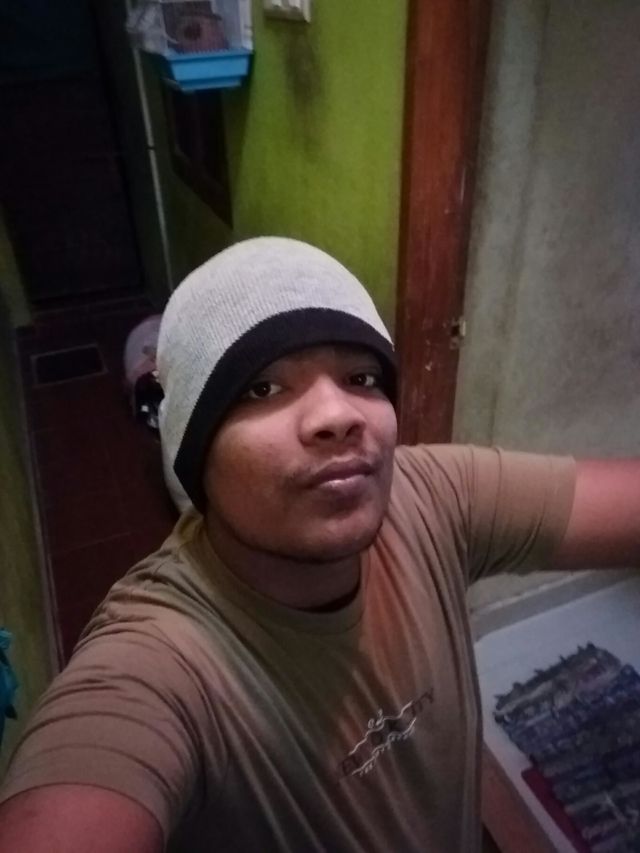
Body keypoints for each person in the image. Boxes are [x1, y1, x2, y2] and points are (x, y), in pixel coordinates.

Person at [0, 237, 637, 852]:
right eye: (261, 387)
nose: (339, 415)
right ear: (194, 451)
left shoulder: (431, 494)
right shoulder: (157, 666)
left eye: (361, 376)